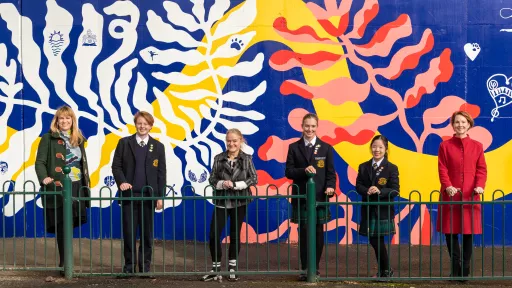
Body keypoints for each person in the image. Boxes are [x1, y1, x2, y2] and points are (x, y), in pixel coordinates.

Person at [35, 106, 90, 276]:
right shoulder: (48, 138)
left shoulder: (78, 139)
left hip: (76, 186)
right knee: (61, 225)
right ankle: (65, 262)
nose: (65, 121)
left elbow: (83, 164)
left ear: (73, 120)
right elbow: (40, 162)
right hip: (58, 187)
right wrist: (45, 178)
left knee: (70, 224)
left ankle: (67, 261)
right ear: (56, 121)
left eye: (68, 118)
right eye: (61, 118)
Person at [112, 111, 166, 277]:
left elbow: (161, 174)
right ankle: (128, 267)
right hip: (129, 196)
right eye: (139, 123)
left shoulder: (158, 146)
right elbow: (116, 167)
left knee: (146, 234)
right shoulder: (124, 143)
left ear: (151, 126)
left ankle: (144, 268)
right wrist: (122, 182)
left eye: (146, 124)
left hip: (148, 197)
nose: (142, 126)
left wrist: (159, 197)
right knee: (129, 233)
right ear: (135, 124)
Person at [202, 129, 258, 282]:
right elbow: (212, 178)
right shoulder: (218, 158)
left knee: (234, 234)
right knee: (214, 234)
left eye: (235, 141)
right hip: (221, 201)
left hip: (240, 201)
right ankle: (215, 268)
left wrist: (237, 184)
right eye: (229, 141)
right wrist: (221, 183)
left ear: (241, 141)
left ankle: (232, 267)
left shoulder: (247, 158)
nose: (231, 144)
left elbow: (253, 178)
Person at [285, 113, 336, 281]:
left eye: (313, 126)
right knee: (304, 232)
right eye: (307, 126)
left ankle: (316, 268)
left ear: (317, 127)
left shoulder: (326, 148)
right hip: (301, 197)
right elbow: (288, 171)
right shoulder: (294, 147)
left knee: (318, 231)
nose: (310, 129)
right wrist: (304, 170)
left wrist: (330, 187)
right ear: (302, 126)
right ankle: (305, 268)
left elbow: (330, 174)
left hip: (320, 196)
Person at [437, 111, 487, 281]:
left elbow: (481, 169)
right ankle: (455, 267)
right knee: (450, 233)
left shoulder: (477, 146)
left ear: (469, 124)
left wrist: (480, 186)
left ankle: (464, 270)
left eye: (463, 122)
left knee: (468, 233)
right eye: (457, 122)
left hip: (470, 195)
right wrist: (448, 186)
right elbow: (442, 169)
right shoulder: (445, 146)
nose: (460, 125)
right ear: (453, 124)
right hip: (450, 195)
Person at [355, 135, 399, 279]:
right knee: (374, 240)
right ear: (370, 148)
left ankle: (385, 270)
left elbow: (395, 189)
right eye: (374, 147)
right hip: (368, 209)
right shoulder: (363, 166)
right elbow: (358, 185)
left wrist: (380, 191)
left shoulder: (391, 168)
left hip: (383, 210)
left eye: (380, 147)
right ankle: (385, 270)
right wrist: (366, 190)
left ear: (386, 149)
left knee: (377, 240)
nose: (377, 150)